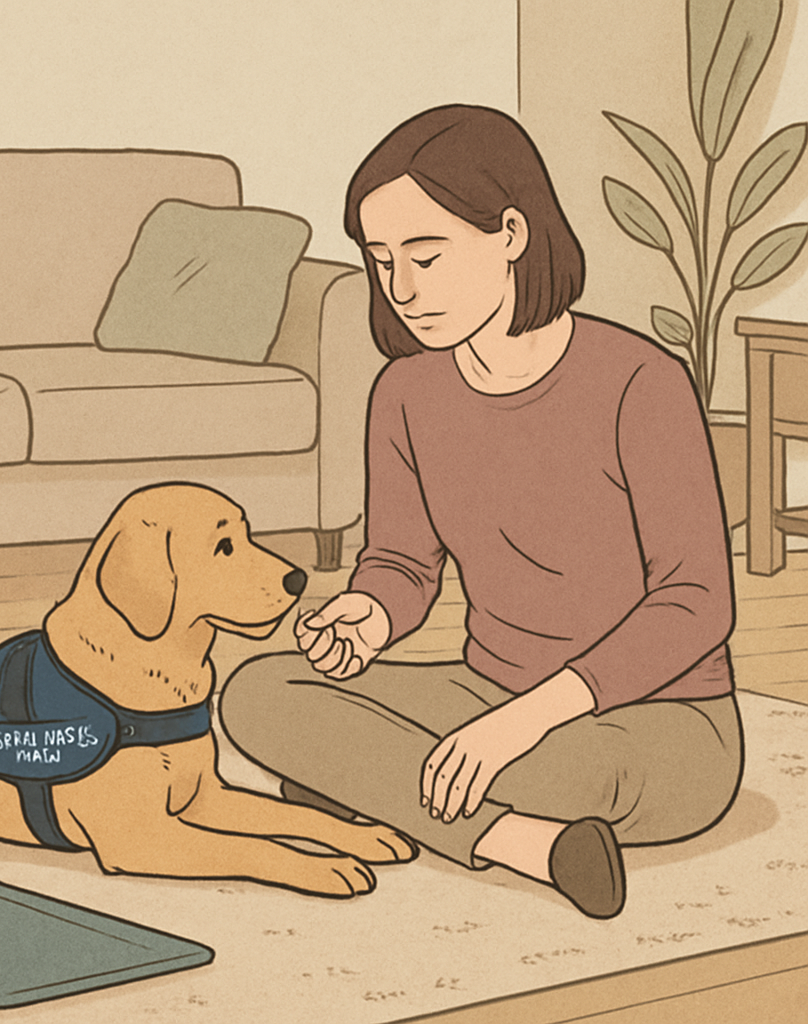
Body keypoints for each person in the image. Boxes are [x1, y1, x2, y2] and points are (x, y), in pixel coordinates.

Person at [218, 105, 743, 918]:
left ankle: (366, 784)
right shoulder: (405, 391)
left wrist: (525, 721)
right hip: (485, 690)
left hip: (655, 724)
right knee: (256, 693)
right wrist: (368, 616)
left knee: (528, 766)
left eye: (426, 256)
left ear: (511, 233)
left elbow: (698, 601)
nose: (402, 289)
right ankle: (524, 845)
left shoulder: (641, 382)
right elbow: (401, 563)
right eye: (382, 261)